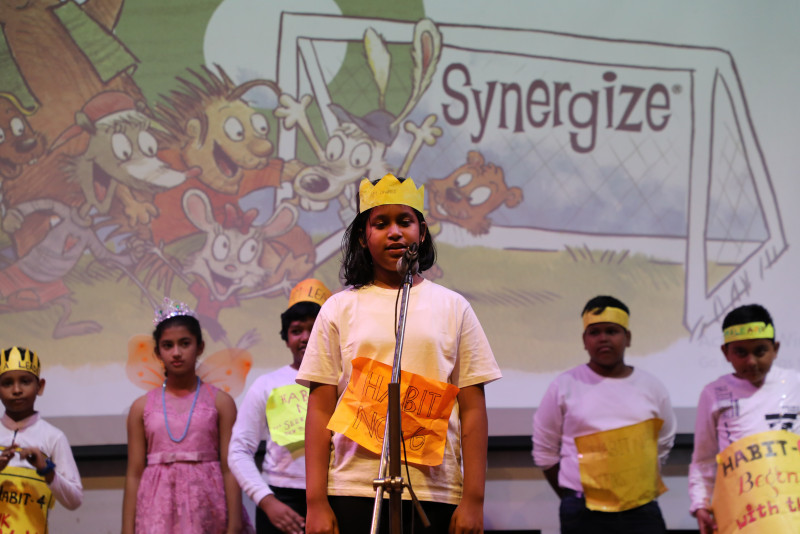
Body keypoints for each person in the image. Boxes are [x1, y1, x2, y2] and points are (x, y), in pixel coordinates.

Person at [297, 173, 502, 534]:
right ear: (363, 237)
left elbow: (472, 409)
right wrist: (315, 502)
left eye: (405, 222)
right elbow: (320, 409)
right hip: (353, 487)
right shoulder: (338, 308)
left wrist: (473, 499)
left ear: (421, 233)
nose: (394, 233)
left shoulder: (453, 307)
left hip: (435, 490)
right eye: (381, 224)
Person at [532, 295, 676, 534]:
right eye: (594, 332)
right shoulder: (564, 386)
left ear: (627, 337)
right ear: (584, 340)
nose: (603, 338)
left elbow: (663, 443)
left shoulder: (652, 387)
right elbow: (544, 451)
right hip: (582, 510)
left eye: (612, 331)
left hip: (641, 509)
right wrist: (572, 495)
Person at [122, 298, 247, 533]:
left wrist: (235, 525)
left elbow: (230, 467)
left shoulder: (221, 402)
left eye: (185, 343)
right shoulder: (141, 407)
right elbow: (134, 473)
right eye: (167, 345)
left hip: (207, 507)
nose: (176, 353)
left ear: (200, 347)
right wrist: (127, 530)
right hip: (157, 508)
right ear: (158, 352)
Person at [229, 278, 332, 534]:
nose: (305, 338)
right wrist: (267, 501)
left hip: (333, 495)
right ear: (286, 338)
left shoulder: (342, 383)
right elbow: (239, 449)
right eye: (296, 331)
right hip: (281, 501)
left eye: (314, 329)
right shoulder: (266, 385)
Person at [688, 303, 800, 534]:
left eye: (760, 351)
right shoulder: (714, 393)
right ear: (725, 352)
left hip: (792, 507)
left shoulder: (795, 384)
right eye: (740, 352)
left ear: (775, 348)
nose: (751, 361)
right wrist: (700, 504)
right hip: (742, 512)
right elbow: (703, 459)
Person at [0, 346, 83, 533]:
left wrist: (47, 470)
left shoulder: (53, 437)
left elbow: (75, 500)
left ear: (40, 386)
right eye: (7, 383)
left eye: (25, 381)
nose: (16, 390)